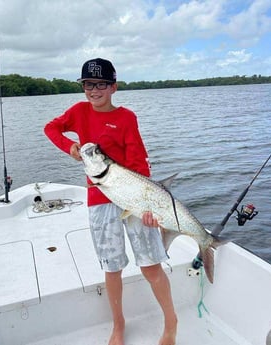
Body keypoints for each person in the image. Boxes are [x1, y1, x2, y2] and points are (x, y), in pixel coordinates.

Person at [44, 58, 177, 345]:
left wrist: (149, 206)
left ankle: (171, 322)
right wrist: (70, 147)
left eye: (101, 84)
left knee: (151, 265)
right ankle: (118, 325)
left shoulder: (126, 117)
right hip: (98, 197)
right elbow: (51, 129)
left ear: (113, 87)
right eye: (88, 84)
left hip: (134, 197)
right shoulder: (78, 112)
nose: (94, 90)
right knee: (111, 266)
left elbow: (139, 162)